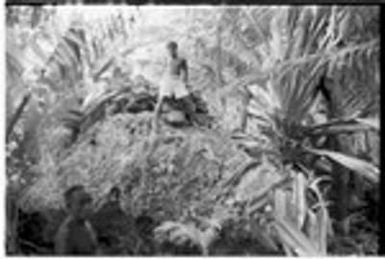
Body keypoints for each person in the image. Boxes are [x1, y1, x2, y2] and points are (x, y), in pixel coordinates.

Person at [152, 41, 197, 133]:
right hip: (167, 80)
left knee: (187, 101)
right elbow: (162, 71)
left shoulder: (181, 60)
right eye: (168, 50)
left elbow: (185, 73)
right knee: (161, 100)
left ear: (176, 49)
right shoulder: (166, 59)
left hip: (177, 80)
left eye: (172, 49)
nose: (170, 51)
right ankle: (155, 123)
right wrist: (161, 82)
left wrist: (184, 83)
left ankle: (193, 121)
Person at [54, 185, 98, 255]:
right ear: (69, 207)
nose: (87, 207)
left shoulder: (86, 224)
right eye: (81, 203)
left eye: (89, 201)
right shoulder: (66, 234)